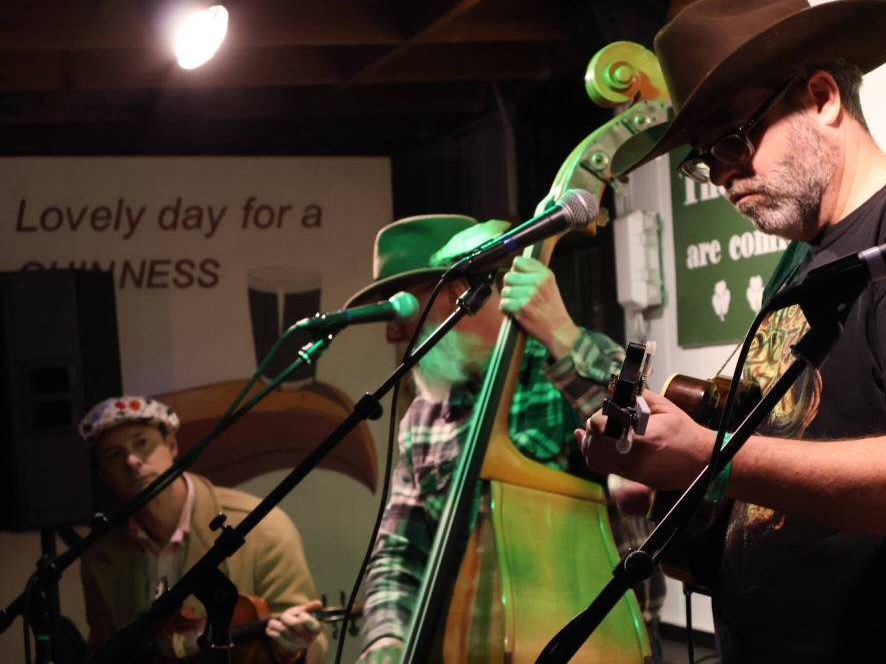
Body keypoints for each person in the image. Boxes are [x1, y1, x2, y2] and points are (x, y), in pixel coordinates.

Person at [581, 0, 886, 663]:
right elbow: (794, 443)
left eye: (734, 137)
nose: (724, 176)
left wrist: (708, 459)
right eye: (706, 159)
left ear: (821, 97)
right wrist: (668, 464)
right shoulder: (804, 259)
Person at [348, 215, 664, 662]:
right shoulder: (422, 417)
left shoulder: (572, 360)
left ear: (460, 292)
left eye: (403, 306)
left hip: (598, 647)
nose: (392, 332)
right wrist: (384, 639)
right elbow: (399, 552)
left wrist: (564, 338)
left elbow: (647, 440)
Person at [78, 396, 329, 664]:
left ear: (172, 445)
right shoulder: (100, 557)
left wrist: (292, 649)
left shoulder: (262, 528)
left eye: (142, 443)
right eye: (114, 455)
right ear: (103, 475)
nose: (132, 461)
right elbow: (102, 651)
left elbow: (313, 644)